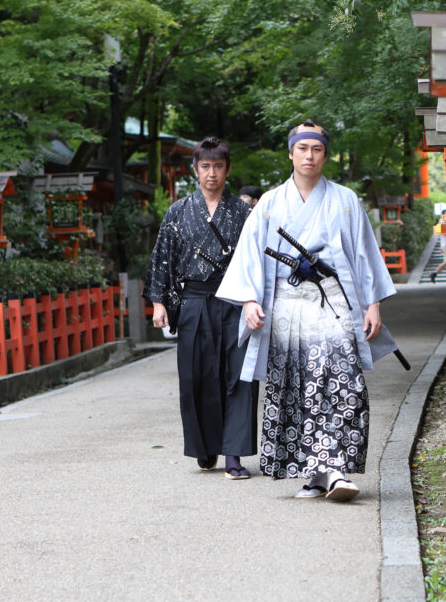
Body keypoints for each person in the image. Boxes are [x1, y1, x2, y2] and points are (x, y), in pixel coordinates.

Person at [217, 119, 397, 502]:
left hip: (333, 304)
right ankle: (316, 475)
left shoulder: (346, 200)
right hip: (287, 307)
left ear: (325, 155)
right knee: (296, 389)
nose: (309, 156)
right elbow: (249, 254)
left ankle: (334, 470)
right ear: (291, 152)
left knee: (342, 381)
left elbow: (365, 255)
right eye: (302, 148)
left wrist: (374, 304)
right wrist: (250, 300)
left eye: (316, 149)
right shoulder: (269, 203)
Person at [144, 136, 257, 479]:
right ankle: (206, 446)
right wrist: (158, 301)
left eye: (218, 166)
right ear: (195, 170)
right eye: (205, 167)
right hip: (194, 301)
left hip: (235, 302)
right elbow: (163, 257)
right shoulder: (179, 211)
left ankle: (235, 453)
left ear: (227, 169)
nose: (212, 174)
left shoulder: (244, 212)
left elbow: (254, 261)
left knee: (239, 376)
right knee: (197, 377)